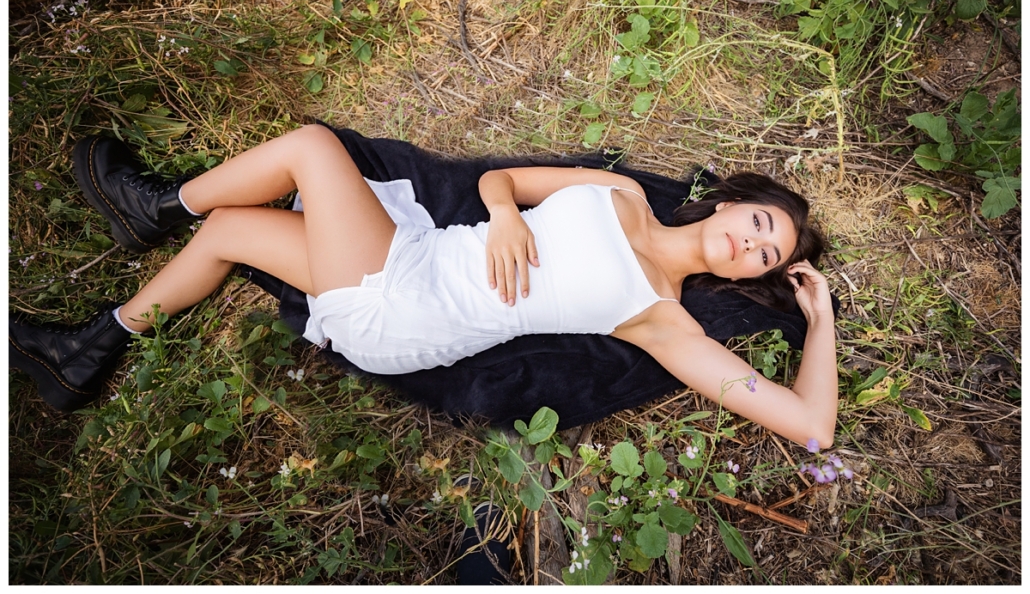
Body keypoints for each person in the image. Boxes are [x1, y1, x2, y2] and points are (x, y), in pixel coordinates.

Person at [10, 124, 838, 449]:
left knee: (311, 149)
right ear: (735, 202)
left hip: (409, 308)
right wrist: (507, 216)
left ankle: (153, 206)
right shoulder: (620, 193)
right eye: (761, 226)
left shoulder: (664, 320)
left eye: (767, 259)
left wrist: (820, 315)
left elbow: (810, 426)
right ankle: (92, 347)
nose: (751, 248)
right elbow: (503, 177)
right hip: (420, 249)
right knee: (229, 233)